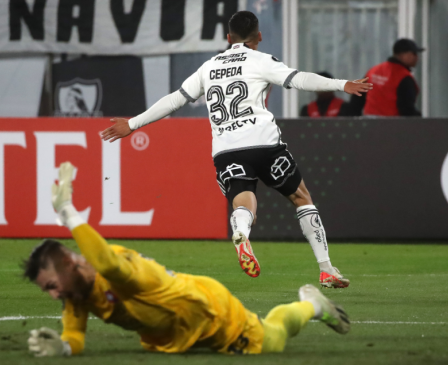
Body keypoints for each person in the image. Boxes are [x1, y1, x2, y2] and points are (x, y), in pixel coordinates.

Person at [101, 11, 372, 287]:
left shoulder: (208, 67)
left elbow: (175, 100)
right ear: (260, 37)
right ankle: (326, 269)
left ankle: (241, 230)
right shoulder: (261, 60)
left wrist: (133, 123)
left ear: (228, 38)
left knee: (243, 200)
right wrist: (341, 84)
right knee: (302, 198)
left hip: (227, 150)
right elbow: (298, 79)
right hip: (265, 144)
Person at [24, 162, 350, 357]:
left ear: (70, 263)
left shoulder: (120, 268)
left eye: (52, 285)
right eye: (47, 291)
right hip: (175, 332)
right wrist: (64, 348)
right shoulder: (76, 293)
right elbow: (75, 336)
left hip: (210, 313)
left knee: (273, 340)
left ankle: (313, 306)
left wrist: (68, 213)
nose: (54, 295)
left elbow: (106, 263)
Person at [349, 38, 423, 117]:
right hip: (391, 125)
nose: (417, 58)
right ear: (402, 55)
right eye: (414, 54)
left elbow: (356, 98)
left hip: (369, 123)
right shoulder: (404, 77)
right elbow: (406, 109)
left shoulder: (373, 71)